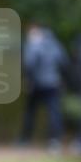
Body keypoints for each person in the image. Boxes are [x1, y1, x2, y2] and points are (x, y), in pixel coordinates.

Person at [19, 23, 68, 151]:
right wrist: (61, 79)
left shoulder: (34, 44)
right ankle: (55, 141)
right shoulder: (55, 44)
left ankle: (25, 140)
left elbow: (29, 64)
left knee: (30, 112)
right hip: (54, 83)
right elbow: (64, 62)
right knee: (54, 113)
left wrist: (29, 80)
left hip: (37, 84)